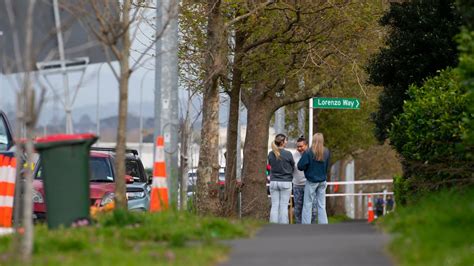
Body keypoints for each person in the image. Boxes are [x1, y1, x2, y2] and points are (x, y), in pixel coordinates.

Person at [298, 133, 331, 224]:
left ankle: (306, 225)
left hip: (311, 180)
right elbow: (328, 166)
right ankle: (324, 224)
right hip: (322, 180)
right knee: (321, 205)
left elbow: (300, 166)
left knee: (307, 204)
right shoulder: (326, 151)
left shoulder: (309, 152)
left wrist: (307, 168)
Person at [268, 133, 294, 224]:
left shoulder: (271, 154)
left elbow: (270, 165)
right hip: (286, 182)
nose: (287, 142)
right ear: (282, 142)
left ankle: (273, 225)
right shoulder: (288, 154)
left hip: (274, 182)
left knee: (274, 206)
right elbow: (293, 166)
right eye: (286, 140)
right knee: (283, 206)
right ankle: (283, 227)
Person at [292, 136, 317, 224]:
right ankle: (299, 227)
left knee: (313, 209)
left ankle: (312, 226)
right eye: (298, 146)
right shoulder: (293, 155)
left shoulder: (311, 154)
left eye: (301, 146)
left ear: (306, 145)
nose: (299, 148)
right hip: (297, 186)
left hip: (309, 185)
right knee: (298, 209)